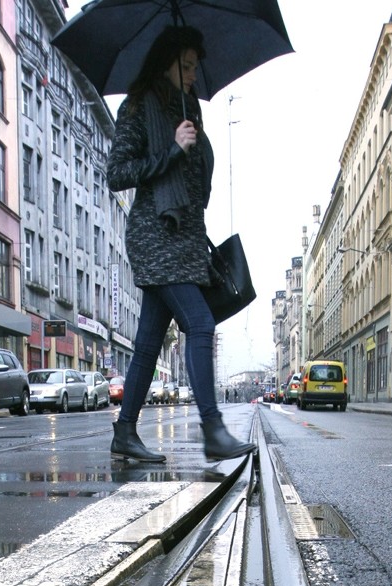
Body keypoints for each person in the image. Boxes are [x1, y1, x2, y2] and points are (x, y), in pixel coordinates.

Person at [106, 25, 255, 463]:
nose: (192, 74)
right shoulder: (139, 107)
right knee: (200, 324)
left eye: (195, 66)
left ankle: (125, 432)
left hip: (186, 238)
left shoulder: (190, 111)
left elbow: (195, 176)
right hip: (156, 236)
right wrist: (172, 149)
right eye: (185, 66)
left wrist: (194, 147)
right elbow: (118, 173)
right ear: (165, 62)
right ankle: (212, 428)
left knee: (149, 343)